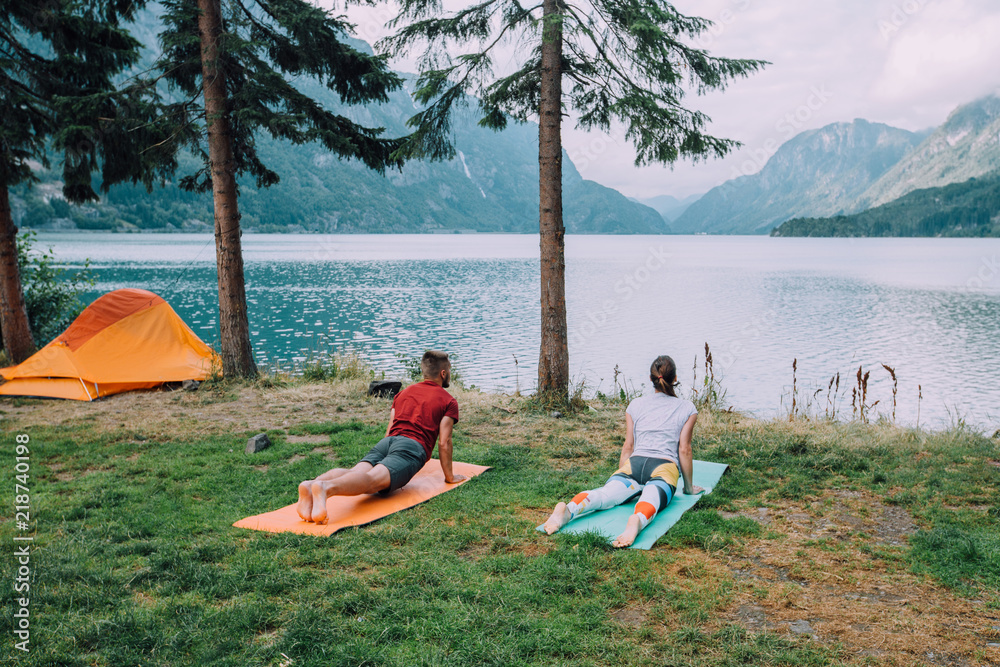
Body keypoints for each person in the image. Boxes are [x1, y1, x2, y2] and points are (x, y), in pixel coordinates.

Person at [542, 355, 704, 548]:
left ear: (650, 378)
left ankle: (568, 509)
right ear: (674, 378)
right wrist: (687, 488)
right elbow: (684, 449)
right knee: (651, 498)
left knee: (604, 495)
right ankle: (637, 519)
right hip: (664, 466)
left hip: (633, 465)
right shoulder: (687, 408)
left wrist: (623, 480)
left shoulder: (635, 405)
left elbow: (628, 446)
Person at [296, 350, 467, 524]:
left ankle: (312, 485)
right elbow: (444, 442)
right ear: (443, 373)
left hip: (387, 442)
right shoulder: (448, 401)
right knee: (372, 481)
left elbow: (390, 429)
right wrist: (449, 477)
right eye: (449, 371)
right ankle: (325, 488)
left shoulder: (403, 393)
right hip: (411, 447)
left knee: (355, 472)